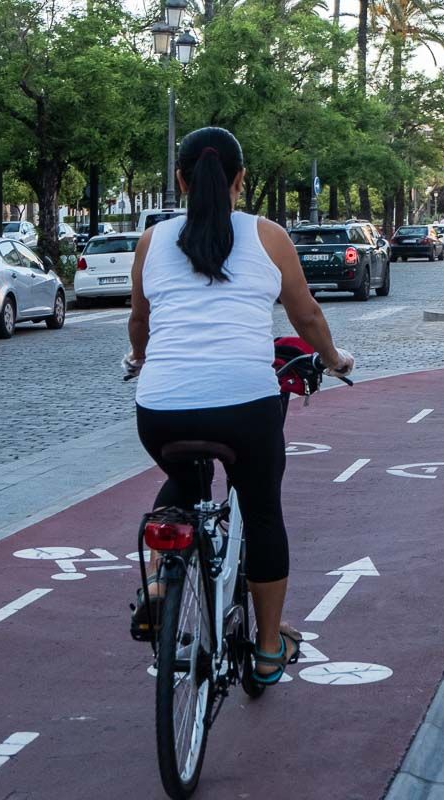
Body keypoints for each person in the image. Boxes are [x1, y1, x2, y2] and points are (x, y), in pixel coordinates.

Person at [125, 127, 354, 686]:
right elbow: (306, 318)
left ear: (180, 180)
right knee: (260, 508)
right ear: (241, 180)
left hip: (160, 411)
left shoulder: (152, 241)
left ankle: (158, 584)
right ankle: (271, 648)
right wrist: (335, 358)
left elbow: (140, 323)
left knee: (183, 479)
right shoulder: (269, 237)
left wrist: (138, 358)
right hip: (245, 408)